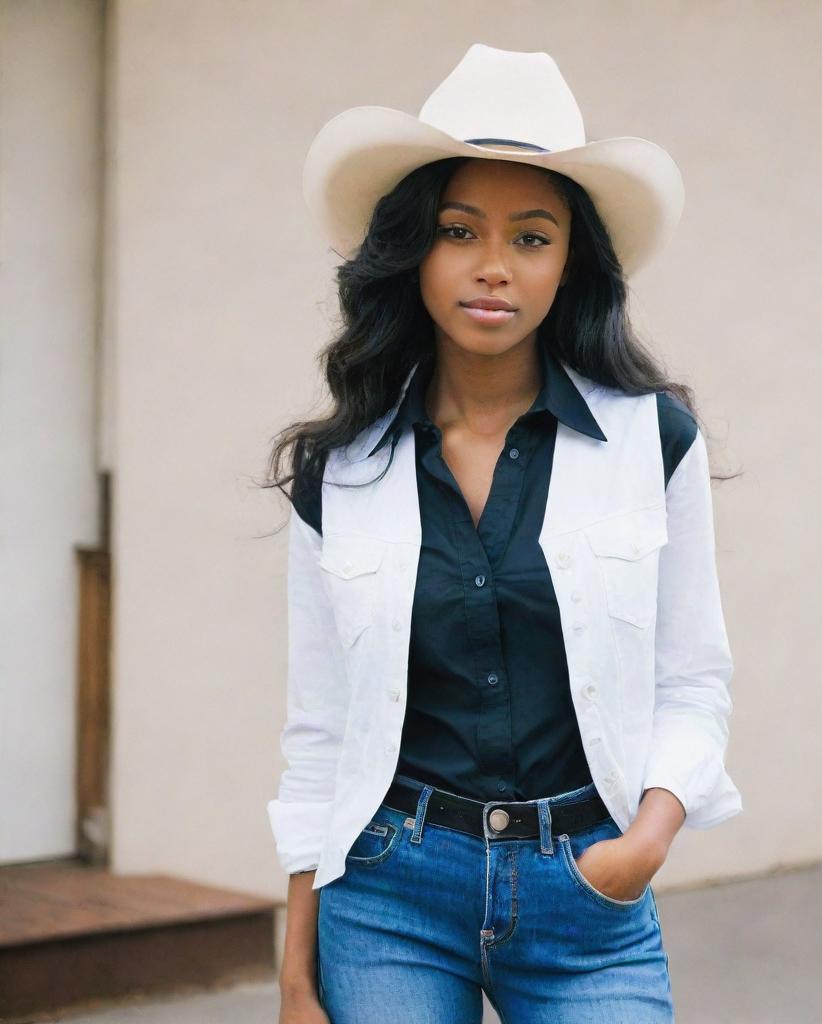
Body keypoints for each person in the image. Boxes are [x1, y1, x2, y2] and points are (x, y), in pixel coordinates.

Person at [264, 43, 742, 1024]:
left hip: (587, 895)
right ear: (413, 248)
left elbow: (691, 680)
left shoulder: (653, 441)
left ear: (571, 264)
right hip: (389, 887)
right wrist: (294, 974)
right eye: (458, 230)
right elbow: (322, 732)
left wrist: (644, 842)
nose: (493, 267)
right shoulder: (340, 469)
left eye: (531, 237)